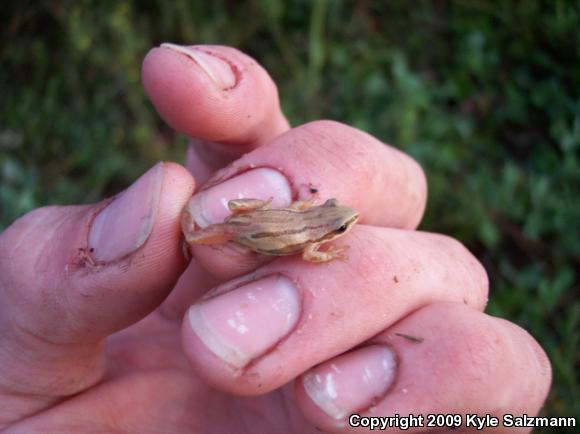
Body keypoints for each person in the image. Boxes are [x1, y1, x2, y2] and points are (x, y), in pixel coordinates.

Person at [0, 44, 551, 433]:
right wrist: (326, 243)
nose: (344, 226)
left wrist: (311, 221)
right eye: (343, 224)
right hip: (257, 234)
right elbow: (313, 245)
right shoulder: (319, 225)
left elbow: (317, 221)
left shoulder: (320, 212)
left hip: (256, 224)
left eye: (340, 222)